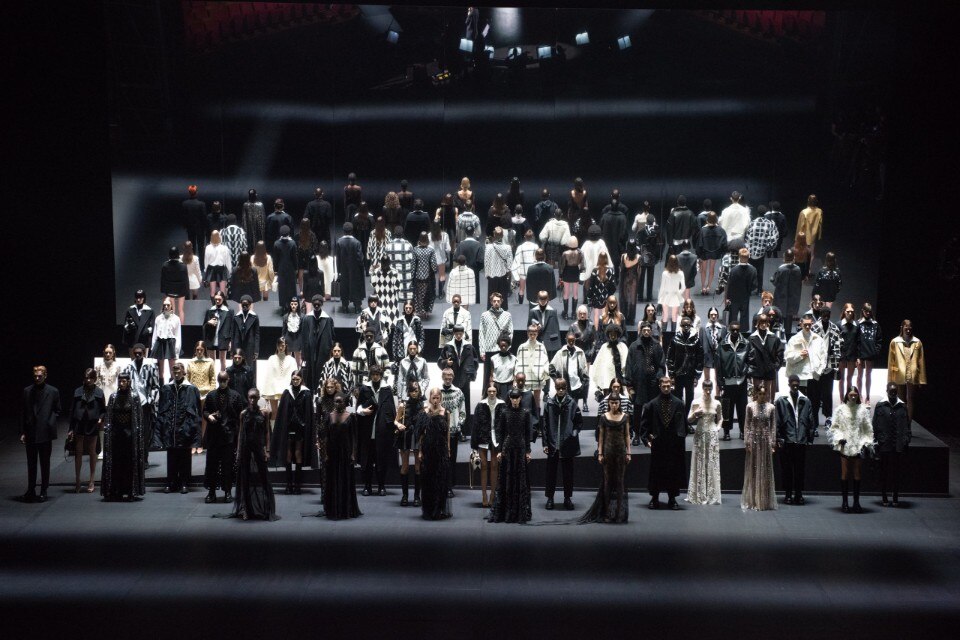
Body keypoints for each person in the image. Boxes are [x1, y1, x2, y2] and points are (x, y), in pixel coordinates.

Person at [640, 376, 686, 510]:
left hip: (673, 443)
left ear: (671, 386)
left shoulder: (678, 403)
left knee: (673, 471)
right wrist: (646, 439)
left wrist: (680, 439)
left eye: (668, 386)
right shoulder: (652, 404)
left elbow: (683, 423)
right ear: (659, 386)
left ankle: (672, 498)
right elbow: (644, 424)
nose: (666, 388)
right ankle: (654, 498)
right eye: (664, 386)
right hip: (658, 442)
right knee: (656, 471)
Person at [488, 388, 533, 523]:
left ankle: (519, 512)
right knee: (506, 479)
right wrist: (499, 450)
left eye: (516, 398)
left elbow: (527, 433)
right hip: (507, 448)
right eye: (513, 398)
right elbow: (500, 432)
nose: (514, 400)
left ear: (520, 398)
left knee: (520, 479)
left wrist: (528, 451)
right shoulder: (504, 412)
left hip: (520, 448)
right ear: (510, 399)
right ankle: (506, 512)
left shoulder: (525, 413)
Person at [232, 388, 278, 521]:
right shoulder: (243, 414)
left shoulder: (264, 413)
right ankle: (246, 509)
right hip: (246, 447)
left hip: (258, 447)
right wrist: (238, 452)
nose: (252, 400)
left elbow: (267, 432)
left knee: (263, 476)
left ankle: (266, 509)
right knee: (244, 478)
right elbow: (240, 433)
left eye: (255, 397)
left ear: (258, 398)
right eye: (250, 397)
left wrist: (267, 450)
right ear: (247, 398)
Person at [156, 362, 201, 494]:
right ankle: (171, 482)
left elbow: (197, 410)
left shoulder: (192, 389)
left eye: (178, 371)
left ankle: (184, 483)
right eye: (174, 371)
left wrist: (193, 428)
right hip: (170, 428)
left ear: (183, 372)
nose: (176, 374)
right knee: (171, 456)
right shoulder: (166, 388)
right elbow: (161, 409)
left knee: (185, 456)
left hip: (185, 428)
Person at [100, 371, 145, 502]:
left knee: (129, 463)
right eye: (120, 381)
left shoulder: (134, 397)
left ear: (129, 382)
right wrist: (109, 433)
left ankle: (131, 491)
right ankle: (116, 491)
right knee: (117, 464)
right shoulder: (113, 397)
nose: (121, 383)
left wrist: (135, 434)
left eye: (124, 381)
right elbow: (109, 417)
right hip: (116, 435)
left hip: (130, 436)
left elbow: (139, 418)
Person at [270, 370, 314, 495]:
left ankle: (297, 485)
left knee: (298, 452)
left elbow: (308, 413)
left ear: (301, 379)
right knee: (288, 453)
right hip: (288, 427)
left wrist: (304, 425)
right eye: (293, 379)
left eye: (297, 379)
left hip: (300, 427)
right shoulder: (287, 392)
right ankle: (289, 484)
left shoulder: (306, 393)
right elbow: (282, 412)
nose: (295, 381)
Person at [202, 372, 243, 504]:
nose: (222, 383)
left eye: (224, 380)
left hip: (229, 436)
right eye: (220, 380)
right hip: (214, 435)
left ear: (228, 380)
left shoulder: (235, 395)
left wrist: (235, 430)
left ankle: (228, 491)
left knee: (228, 464)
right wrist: (209, 416)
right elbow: (205, 410)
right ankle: (211, 492)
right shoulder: (211, 395)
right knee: (212, 464)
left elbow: (240, 415)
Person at [541, 379, 582, 511]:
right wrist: (545, 443)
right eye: (558, 388)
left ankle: (567, 498)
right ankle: (550, 498)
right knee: (550, 473)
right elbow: (544, 425)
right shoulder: (549, 403)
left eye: (563, 388)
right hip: (553, 444)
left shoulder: (572, 403)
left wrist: (573, 434)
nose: (560, 391)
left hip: (567, 444)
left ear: (566, 388)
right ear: (555, 387)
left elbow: (579, 422)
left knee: (568, 473)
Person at [831, 386, 873, 513]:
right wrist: (840, 438)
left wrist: (866, 442)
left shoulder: (863, 410)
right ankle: (845, 502)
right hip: (845, 446)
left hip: (858, 445)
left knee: (857, 474)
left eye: (855, 395)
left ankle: (856, 502)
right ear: (847, 395)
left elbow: (868, 428)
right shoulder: (840, 410)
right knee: (844, 474)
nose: (853, 397)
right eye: (851, 395)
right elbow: (835, 427)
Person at [319, 393, 362, 520]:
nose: (338, 404)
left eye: (340, 401)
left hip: (346, 452)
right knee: (332, 479)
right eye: (336, 401)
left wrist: (353, 454)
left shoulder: (351, 417)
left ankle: (345, 508)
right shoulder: (329, 416)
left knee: (345, 479)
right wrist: (325, 453)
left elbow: (354, 437)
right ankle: (333, 508)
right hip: (332, 452)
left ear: (345, 402)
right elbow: (325, 436)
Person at [356, 365, 396, 497]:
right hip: (367, 430)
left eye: (377, 374)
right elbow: (358, 407)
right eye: (373, 374)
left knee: (381, 461)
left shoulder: (387, 389)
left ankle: (381, 486)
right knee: (367, 461)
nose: (375, 377)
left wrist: (388, 423)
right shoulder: (365, 388)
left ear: (381, 375)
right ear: (370, 375)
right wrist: (363, 411)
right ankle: (367, 486)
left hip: (382, 431)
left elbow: (391, 409)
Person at [776, 374, 815, 505]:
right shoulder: (781, 400)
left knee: (800, 470)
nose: (795, 386)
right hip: (787, 441)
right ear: (789, 384)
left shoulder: (805, 400)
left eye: (797, 384)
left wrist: (809, 438)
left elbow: (810, 421)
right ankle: (788, 494)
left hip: (801, 441)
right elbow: (777, 421)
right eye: (793, 384)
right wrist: (779, 438)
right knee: (787, 470)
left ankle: (798, 493)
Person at [873, 382, 911, 507]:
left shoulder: (902, 406)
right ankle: (884, 495)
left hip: (898, 445)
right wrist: (877, 440)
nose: (893, 393)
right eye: (891, 391)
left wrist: (906, 439)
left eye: (895, 391)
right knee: (884, 472)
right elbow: (875, 424)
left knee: (896, 473)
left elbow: (907, 425)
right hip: (884, 444)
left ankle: (895, 496)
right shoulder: (880, 405)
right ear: (887, 391)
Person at [685, 379, 722, 505]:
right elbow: (688, 420)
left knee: (711, 461)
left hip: (712, 435)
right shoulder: (696, 402)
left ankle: (711, 493)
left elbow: (720, 418)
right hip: (700, 433)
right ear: (702, 388)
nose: (708, 391)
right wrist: (695, 414)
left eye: (710, 389)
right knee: (699, 460)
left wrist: (717, 428)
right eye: (706, 389)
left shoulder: (717, 403)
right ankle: (699, 492)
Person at [418, 388, 452, 520]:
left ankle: (439, 509)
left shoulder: (445, 412)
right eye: (434, 398)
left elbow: (447, 432)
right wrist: (420, 451)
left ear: (441, 398)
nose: (436, 400)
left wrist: (448, 449)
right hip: (428, 448)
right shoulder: (425, 412)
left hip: (441, 449)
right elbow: (421, 434)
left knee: (440, 479)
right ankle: (429, 509)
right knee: (428, 479)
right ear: (430, 398)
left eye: (438, 398)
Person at [741, 385, 778, 511]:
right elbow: (747, 425)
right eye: (760, 394)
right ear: (756, 394)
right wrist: (747, 442)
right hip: (754, 441)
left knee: (765, 468)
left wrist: (773, 443)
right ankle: (753, 500)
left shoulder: (771, 407)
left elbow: (773, 426)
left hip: (766, 441)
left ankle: (764, 501)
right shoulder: (750, 406)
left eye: (764, 394)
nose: (762, 396)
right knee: (754, 468)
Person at [68, 368, 105, 493]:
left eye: (91, 378)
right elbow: (72, 410)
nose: (88, 380)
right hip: (79, 423)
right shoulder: (78, 391)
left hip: (92, 424)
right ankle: (78, 481)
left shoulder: (99, 392)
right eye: (86, 378)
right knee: (78, 452)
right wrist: (70, 428)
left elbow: (103, 410)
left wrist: (100, 419)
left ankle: (91, 480)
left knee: (92, 452)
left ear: (95, 379)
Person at [438, 325, 479, 436]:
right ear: (453, 333)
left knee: (465, 404)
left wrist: (471, 374)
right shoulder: (448, 346)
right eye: (456, 333)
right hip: (453, 379)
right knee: (452, 404)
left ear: (463, 333)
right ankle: (450, 429)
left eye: (460, 333)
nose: (458, 335)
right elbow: (439, 361)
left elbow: (475, 362)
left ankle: (464, 431)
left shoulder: (469, 346)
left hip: (465, 380)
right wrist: (446, 362)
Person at [124, 344, 160, 465]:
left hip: (145, 405)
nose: (138, 355)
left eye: (140, 353)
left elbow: (156, 386)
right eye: (136, 353)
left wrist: (151, 400)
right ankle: (134, 459)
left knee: (145, 433)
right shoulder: (128, 367)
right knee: (133, 432)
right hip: (132, 405)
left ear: (144, 353)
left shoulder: (151, 366)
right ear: (133, 354)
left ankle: (144, 459)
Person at [471, 384, 505, 508]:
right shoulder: (480, 405)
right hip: (483, 437)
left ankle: (493, 495)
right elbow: (475, 425)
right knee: (484, 466)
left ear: (497, 392)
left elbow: (504, 424)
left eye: (493, 391)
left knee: (495, 466)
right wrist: (474, 445)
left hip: (497, 438)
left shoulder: (502, 404)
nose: (491, 393)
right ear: (486, 391)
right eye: (489, 391)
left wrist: (503, 442)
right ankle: (484, 494)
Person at [887, 319, 926, 422]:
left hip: (912, 374)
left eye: (910, 328)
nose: (908, 330)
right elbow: (891, 362)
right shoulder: (895, 341)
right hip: (899, 373)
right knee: (900, 399)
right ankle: (901, 421)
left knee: (910, 398)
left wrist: (921, 379)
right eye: (906, 328)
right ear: (902, 328)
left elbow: (921, 361)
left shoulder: (917, 342)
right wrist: (890, 380)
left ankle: (908, 422)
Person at [811, 306, 841, 433]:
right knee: (815, 395)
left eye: (828, 314)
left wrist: (835, 365)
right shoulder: (814, 328)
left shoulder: (834, 328)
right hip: (816, 366)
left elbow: (838, 347)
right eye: (824, 314)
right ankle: (814, 421)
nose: (826, 316)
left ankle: (828, 418)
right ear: (820, 315)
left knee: (828, 394)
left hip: (829, 366)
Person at [395, 381, 426, 506]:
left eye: (416, 391)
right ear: (409, 392)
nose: (414, 393)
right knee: (405, 466)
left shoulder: (422, 406)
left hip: (418, 436)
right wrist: (399, 425)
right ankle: (405, 496)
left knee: (418, 467)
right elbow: (395, 420)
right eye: (412, 391)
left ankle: (417, 496)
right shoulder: (403, 405)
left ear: (419, 392)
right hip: (405, 435)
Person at [666, 316, 704, 417]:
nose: (686, 327)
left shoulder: (696, 340)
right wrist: (671, 375)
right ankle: (679, 419)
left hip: (690, 375)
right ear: (681, 326)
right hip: (678, 374)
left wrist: (697, 376)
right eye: (684, 325)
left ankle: (688, 420)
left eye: (688, 325)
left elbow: (700, 359)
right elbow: (670, 358)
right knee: (678, 399)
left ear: (691, 326)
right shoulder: (675, 339)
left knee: (690, 399)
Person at [186, 341, 216, 455]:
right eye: (197, 349)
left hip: (206, 393)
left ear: (204, 350)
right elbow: (187, 378)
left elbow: (212, 378)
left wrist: (212, 393)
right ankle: (194, 443)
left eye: (201, 350)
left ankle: (200, 443)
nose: (199, 352)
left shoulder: (210, 362)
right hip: (193, 393)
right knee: (194, 419)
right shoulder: (191, 362)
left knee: (203, 419)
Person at [301, 295, 335, 393]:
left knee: (321, 372)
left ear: (322, 304)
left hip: (323, 351)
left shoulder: (328, 319)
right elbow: (304, 337)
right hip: (310, 351)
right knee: (310, 373)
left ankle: (320, 393)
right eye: (315, 303)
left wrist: (329, 352)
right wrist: (304, 353)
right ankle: (310, 393)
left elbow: (331, 337)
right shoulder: (307, 318)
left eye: (318, 303)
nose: (316, 305)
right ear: (312, 304)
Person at [479, 292, 513, 385]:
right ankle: (485, 393)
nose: (496, 303)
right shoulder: (484, 315)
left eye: (498, 301)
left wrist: (508, 347)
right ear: (491, 302)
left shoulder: (507, 315)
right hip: (489, 349)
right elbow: (481, 333)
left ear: (501, 301)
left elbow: (510, 332)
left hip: (502, 348)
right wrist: (482, 351)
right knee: (487, 375)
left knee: (501, 374)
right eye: (494, 301)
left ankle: (501, 392)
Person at [261, 338, 298, 423]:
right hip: (273, 389)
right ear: (276, 346)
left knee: (286, 413)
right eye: (279, 346)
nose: (281, 348)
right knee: (274, 413)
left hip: (286, 390)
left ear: (286, 346)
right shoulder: (272, 358)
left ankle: (284, 430)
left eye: (283, 346)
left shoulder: (291, 360)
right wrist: (266, 392)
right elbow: (268, 376)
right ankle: (273, 431)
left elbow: (294, 375)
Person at [591, 324, 629, 402]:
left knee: (620, 398)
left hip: (619, 376)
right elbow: (598, 364)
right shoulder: (604, 347)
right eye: (611, 334)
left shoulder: (623, 346)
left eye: (614, 334)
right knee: (607, 399)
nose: (613, 336)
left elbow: (626, 362)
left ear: (618, 335)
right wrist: (599, 382)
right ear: (608, 335)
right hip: (607, 377)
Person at [334, 222, 365, 314]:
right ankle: (357, 307)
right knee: (356, 288)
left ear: (343, 231)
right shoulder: (357, 242)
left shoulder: (339, 242)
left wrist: (338, 272)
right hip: (355, 271)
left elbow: (338, 259)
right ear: (352, 231)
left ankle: (345, 307)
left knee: (344, 288)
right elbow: (360, 258)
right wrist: (362, 268)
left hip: (343, 270)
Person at [771, 249, 802, 337]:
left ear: (784, 257)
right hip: (793, 298)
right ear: (793, 258)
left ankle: (778, 337)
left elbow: (775, 281)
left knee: (778, 319)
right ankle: (787, 338)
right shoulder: (798, 269)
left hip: (781, 297)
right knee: (789, 321)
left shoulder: (781, 269)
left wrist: (772, 279)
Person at [745, 213, 779, 293]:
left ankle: (749, 288)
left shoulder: (752, 223)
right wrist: (768, 248)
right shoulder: (770, 224)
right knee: (760, 271)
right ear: (765, 214)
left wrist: (747, 248)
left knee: (750, 270)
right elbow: (774, 238)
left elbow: (747, 237)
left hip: (751, 251)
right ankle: (759, 289)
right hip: (761, 252)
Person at [856, 303, 883, 404]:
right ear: (862, 311)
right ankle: (859, 395)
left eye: (869, 311)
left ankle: (867, 397)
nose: (867, 313)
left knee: (868, 375)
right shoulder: (858, 323)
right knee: (860, 375)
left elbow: (879, 339)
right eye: (866, 311)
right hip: (860, 353)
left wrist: (876, 351)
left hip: (870, 353)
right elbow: (855, 340)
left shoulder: (875, 324)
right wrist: (857, 355)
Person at [695, 211, 726, 295]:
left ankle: (703, 287)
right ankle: (708, 287)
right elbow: (724, 243)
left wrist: (698, 255)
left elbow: (699, 244)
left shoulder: (703, 230)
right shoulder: (721, 230)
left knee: (703, 270)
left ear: (707, 219)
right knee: (711, 269)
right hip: (715, 252)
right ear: (716, 219)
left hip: (704, 253)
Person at [725, 248, 758, 328]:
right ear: (748, 257)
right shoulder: (753, 270)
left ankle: (732, 329)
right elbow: (754, 285)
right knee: (744, 315)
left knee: (733, 315)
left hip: (734, 296)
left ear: (739, 257)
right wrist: (748, 290)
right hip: (745, 296)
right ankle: (744, 330)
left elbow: (730, 285)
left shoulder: (733, 270)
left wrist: (728, 297)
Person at [151, 297, 181, 383]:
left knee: (172, 367)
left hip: (171, 342)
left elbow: (178, 334)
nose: (166, 307)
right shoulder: (158, 318)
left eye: (168, 305)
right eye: (165, 305)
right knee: (160, 369)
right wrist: (153, 346)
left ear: (171, 306)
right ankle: (161, 385)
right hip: (160, 342)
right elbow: (155, 333)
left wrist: (177, 348)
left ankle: (171, 385)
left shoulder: (176, 319)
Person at [484, 227, 514, 309]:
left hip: (492, 275)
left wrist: (487, 274)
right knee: (503, 295)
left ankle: (491, 310)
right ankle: (503, 310)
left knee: (491, 295)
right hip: (503, 275)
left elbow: (486, 261)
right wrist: (509, 272)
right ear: (502, 235)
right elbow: (510, 262)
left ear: (494, 235)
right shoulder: (507, 247)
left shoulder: (488, 247)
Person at [201, 291, 231, 370]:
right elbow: (204, 326)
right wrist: (209, 322)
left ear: (223, 299)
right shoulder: (210, 310)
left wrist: (230, 341)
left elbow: (231, 327)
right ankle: (212, 376)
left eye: (219, 299)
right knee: (211, 360)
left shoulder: (228, 311)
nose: (217, 301)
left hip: (223, 337)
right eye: (216, 299)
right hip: (211, 337)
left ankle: (222, 376)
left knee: (223, 360)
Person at [385, 225, 416, 303]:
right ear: (402, 234)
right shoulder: (408, 245)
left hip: (393, 274)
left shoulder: (388, 246)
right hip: (405, 275)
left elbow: (386, 261)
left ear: (394, 233)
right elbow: (412, 260)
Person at [231, 295, 260, 376]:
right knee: (237, 365)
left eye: (246, 305)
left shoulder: (254, 317)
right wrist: (232, 350)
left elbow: (257, 334)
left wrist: (256, 350)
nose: (244, 307)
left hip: (250, 346)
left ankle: (251, 383)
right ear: (240, 304)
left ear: (250, 305)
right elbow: (233, 334)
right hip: (238, 345)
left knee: (250, 367)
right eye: (243, 305)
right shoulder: (236, 317)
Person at [271, 224, 298, 311]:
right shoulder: (292, 243)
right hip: (290, 268)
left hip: (281, 267)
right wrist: (296, 268)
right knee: (291, 287)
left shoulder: (276, 244)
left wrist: (275, 269)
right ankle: (292, 304)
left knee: (282, 287)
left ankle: (283, 305)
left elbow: (275, 258)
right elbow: (294, 257)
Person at [636, 206, 661, 302]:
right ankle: (649, 296)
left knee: (641, 277)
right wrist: (658, 256)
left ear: (646, 221)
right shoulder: (657, 232)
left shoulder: (641, 231)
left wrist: (638, 255)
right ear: (654, 221)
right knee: (650, 277)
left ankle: (640, 296)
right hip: (652, 257)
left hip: (643, 257)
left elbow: (637, 245)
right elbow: (660, 244)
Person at [412, 231, 438, 317]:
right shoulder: (431, 250)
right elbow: (434, 265)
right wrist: (434, 270)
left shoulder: (415, 249)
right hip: (428, 276)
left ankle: (419, 310)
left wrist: (412, 276)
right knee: (428, 293)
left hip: (418, 276)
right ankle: (426, 310)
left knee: (418, 294)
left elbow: (413, 264)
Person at [121, 290, 155, 357]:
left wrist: (146, 331)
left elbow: (152, 326)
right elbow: (126, 325)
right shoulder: (130, 310)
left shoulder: (150, 311)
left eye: (140, 297)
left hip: (144, 340)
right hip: (132, 339)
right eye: (137, 297)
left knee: (144, 361)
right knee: (133, 361)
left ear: (144, 298)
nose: (138, 299)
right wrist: (129, 328)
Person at [837, 302, 860, 402]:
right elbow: (836, 341)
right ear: (844, 312)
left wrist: (858, 357)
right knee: (841, 379)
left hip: (852, 354)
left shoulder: (856, 325)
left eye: (851, 311)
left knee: (849, 379)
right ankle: (841, 400)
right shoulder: (839, 324)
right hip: (841, 355)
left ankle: (847, 399)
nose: (850, 313)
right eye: (848, 311)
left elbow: (859, 341)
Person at [160, 247, 188, 324]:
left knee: (172, 309)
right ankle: (181, 327)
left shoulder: (165, 265)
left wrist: (164, 290)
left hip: (170, 290)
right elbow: (185, 280)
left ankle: (171, 326)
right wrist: (186, 291)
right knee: (181, 309)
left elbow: (163, 279)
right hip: (181, 291)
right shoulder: (183, 266)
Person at [700, 307, 725, 388]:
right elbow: (700, 342)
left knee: (718, 378)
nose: (713, 316)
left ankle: (718, 394)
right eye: (711, 314)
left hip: (718, 355)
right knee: (707, 379)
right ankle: (706, 394)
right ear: (709, 315)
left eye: (715, 314)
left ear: (717, 315)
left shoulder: (723, 328)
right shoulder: (703, 328)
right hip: (707, 355)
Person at [658, 254, 685, 330]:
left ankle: (664, 334)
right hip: (675, 295)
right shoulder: (680, 273)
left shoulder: (665, 273)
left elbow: (662, 287)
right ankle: (673, 335)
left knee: (665, 316)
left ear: (668, 262)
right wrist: (678, 293)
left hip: (666, 295)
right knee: (674, 316)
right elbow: (683, 287)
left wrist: (659, 299)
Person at [182, 185, 208, 263]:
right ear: (196, 192)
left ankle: (192, 262)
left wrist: (185, 226)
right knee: (201, 247)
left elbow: (184, 217)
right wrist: (205, 228)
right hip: (200, 229)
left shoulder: (185, 204)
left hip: (190, 228)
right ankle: (202, 264)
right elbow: (204, 217)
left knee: (191, 246)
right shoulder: (201, 204)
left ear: (189, 193)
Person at [559, 236, 584, 319]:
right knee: (575, 293)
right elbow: (582, 265)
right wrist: (581, 272)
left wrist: (560, 275)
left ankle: (566, 314)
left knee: (566, 293)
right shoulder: (580, 253)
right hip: (575, 271)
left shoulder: (565, 253)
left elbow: (562, 266)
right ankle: (573, 314)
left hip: (567, 271)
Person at [795, 194, 823, 266]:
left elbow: (800, 226)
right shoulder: (819, 211)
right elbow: (820, 224)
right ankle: (808, 269)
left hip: (803, 237)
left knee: (802, 253)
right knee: (811, 253)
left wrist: (797, 238)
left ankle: (802, 268)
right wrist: (819, 235)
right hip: (813, 237)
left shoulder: (804, 212)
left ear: (808, 201)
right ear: (816, 201)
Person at [539, 204, 570, 269]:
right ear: (561, 214)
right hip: (559, 248)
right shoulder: (565, 225)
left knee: (549, 264)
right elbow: (566, 240)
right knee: (557, 265)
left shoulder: (549, 223)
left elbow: (542, 236)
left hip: (549, 247)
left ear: (554, 214)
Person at [204, 231, 231, 300]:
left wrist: (206, 270)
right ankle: (223, 305)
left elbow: (206, 260)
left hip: (211, 269)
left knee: (212, 291)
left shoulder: (208, 248)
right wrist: (230, 271)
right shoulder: (224, 248)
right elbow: (227, 261)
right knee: (223, 290)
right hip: (221, 269)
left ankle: (214, 305)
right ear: (219, 237)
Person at [296, 217, 319, 293]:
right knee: (309, 274)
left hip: (300, 257)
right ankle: (308, 290)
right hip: (309, 257)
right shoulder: (312, 235)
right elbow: (315, 247)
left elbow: (295, 248)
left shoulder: (298, 235)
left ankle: (301, 291)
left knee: (301, 274)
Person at [241, 189, 266, 253]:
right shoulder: (259, 205)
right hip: (256, 231)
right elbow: (263, 221)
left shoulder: (246, 205)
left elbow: (244, 220)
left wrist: (245, 232)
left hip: (251, 231)